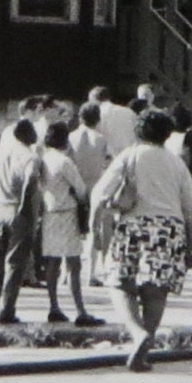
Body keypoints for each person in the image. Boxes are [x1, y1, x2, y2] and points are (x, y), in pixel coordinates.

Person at [90, 109, 192, 372]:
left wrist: (94, 225)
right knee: (156, 291)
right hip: (169, 227)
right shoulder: (176, 163)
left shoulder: (129, 156)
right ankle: (145, 348)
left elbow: (100, 192)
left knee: (119, 282)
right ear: (167, 134)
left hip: (134, 224)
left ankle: (136, 332)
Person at [39, 121, 102, 326]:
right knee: (73, 264)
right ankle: (80, 310)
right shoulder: (65, 162)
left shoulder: (43, 159)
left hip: (49, 213)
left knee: (53, 262)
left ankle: (53, 306)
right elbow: (81, 189)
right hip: (67, 213)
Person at [0, 118, 41, 324]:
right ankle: (7, 309)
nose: (36, 135)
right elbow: (31, 178)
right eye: (32, 132)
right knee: (15, 263)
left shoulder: (0, 152)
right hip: (18, 209)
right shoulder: (29, 156)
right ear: (25, 134)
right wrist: (25, 204)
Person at [68, 102, 112, 285]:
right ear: (98, 119)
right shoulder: (101, 139)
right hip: (95, 186)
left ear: (80, 117)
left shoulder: (71, 137)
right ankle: (92, 273)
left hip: (75, 185)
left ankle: (66, 273)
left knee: (72, 230)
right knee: (95, 230)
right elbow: (109, 161)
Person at [89, 88, 138, 157]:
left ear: (94, 100)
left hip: (109, 157)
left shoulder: (96, 115)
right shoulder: (128, 111)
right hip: (130, 155)